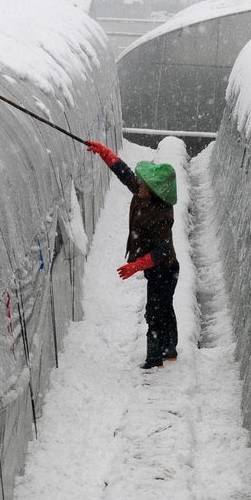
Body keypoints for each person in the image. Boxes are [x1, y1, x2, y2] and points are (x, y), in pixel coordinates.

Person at [84, 139, 179, 370]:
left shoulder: (161, 215)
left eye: (144, 184)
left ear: (154, 191)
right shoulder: (143, 194)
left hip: (164, 269)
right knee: (164, 307)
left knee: (155, 312)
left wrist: (135, 266)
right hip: (159, 269)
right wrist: (105, 153)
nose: (139, 184)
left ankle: (155, 358)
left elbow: (161, 251)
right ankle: (169, 349)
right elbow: (124, 173)